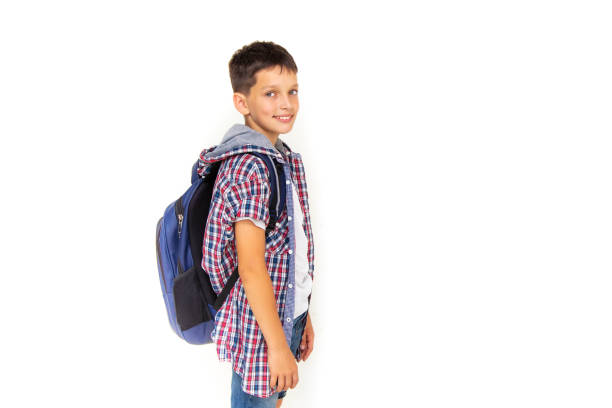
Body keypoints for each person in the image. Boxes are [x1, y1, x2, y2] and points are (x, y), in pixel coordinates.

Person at [196, 41, 315, 407]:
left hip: (284, 315)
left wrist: (302, 314)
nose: (286, 104)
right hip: (260, 329)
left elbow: (287, 248)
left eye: (292, 91)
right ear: (242, 102)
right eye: (270, 93)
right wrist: (277, 345)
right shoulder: (250, 166)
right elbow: (250, 267)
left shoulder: (281, 158)